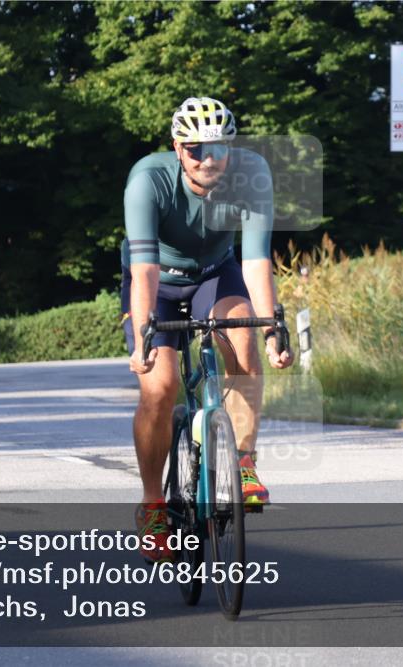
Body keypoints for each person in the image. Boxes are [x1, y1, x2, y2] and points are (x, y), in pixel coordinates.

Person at [122, 97, 293, 563]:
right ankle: (154, 503)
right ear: (178, 148)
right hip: (157, 280)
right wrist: (141, 338)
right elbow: (144, 273)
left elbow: (257, 262)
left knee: (242, 338)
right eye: (195, 149)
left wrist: (273, 329)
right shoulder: (147, 181)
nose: (207, 159)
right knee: (161, 387)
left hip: (217, 273)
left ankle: (243, 463)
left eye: (217, 148)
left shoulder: (252, 175)